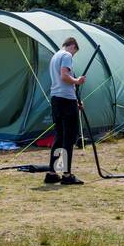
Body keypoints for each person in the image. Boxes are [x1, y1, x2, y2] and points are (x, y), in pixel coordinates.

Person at [47, 36, 84, 185]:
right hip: (66, 101)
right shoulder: (67, 55)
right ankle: (67, 174)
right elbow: (64, 76)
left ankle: (52, 172)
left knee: (60, 136)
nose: (73, 56)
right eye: (75, 52)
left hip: (56, 99)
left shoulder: (55, 56)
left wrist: (76, 100)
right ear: (73, 46)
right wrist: (77, 81)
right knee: (69, 137)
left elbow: (61, 80)